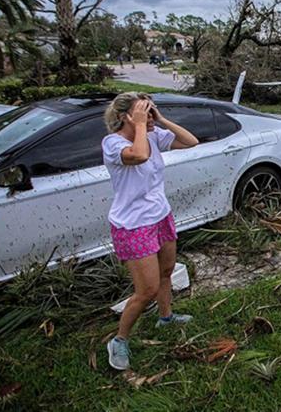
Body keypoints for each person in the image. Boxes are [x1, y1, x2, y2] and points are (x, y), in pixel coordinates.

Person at [102, 92, 199, 370]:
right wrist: (142, 125)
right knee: (146, 290)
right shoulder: (112, 143)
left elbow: (191, 141)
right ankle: (119, 340)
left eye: (149, 109)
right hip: (133, 225)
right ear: (125, 117)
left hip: (160, 216)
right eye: (142, 110)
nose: (148, 114)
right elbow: (140, 155)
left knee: (167, 272)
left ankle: (166, 316)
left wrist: (160, 119)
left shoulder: (154, 135)